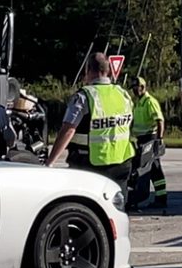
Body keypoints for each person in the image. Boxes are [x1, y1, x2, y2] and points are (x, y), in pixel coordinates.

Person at [44, 52, 135, 187]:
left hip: (90, 165)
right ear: (108, 71)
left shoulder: (83, 97)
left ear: (88, 70)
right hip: (122, 162)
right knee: (117, 204)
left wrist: (50, 162)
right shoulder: (123, 94)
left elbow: (68, 130)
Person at [127, 76, 167, 211]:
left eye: (136, 88)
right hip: (141, 139)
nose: (134, 91)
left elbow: (159, 120)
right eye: (132, 88)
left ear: (142, 87)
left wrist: (159, 139)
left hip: (150, 137)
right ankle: (159, 198)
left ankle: (161, 198)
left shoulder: (150, 102)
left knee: (153, 168)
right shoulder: (138, 102)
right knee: (150, 168)